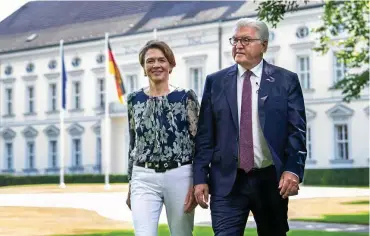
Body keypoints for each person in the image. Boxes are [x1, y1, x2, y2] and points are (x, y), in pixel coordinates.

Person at [193, 18, 307, 236]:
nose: (238, 45)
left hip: (270, 181)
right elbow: (205, 136)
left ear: (264, 45)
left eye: (245, 39)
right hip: (227, 181)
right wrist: (199, 178)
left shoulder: (286, 81)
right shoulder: (215, 82)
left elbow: (297, 132)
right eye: (235, 40)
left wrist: (293, 169)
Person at [125, 40, 199, 236]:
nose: (156, 65)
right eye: (150, 61)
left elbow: (198, 142)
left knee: (181, 233)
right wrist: (131, 183)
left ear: (171, 65)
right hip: (143, 177)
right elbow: (133, 143)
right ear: (143, 67)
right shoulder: (134, 100)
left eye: (161, 60)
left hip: (180, 175)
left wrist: (198, 180)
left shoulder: (185, 97)